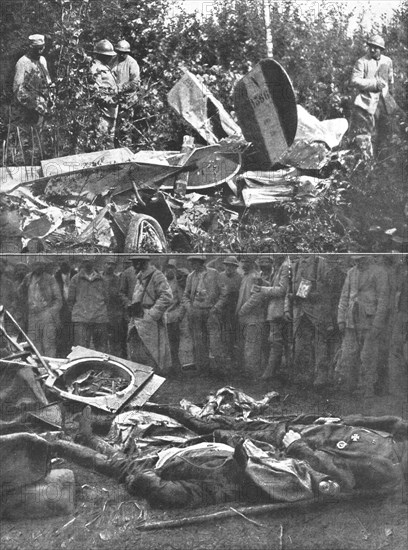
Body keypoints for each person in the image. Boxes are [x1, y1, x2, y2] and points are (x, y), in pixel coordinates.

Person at [336, 255, 389, 399]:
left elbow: (383, 299)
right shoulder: (351, 272)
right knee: (349, 354)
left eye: (361, 259)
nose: (358, 262)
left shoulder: (379, 272)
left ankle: (368, 388)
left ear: (368, 258)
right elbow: (344, 296)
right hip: (351, 319)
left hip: (369, 320)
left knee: (369, 356)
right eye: (356, 259)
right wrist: (341, 319)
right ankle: (350, 386)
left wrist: (378, 323)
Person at [289, 255, 334, 389]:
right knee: (301, 344)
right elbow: (291, 288)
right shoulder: (295, 265)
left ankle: (321, 376)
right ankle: (304, 375)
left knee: (320, 343)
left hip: (317, 311)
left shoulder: (320, 263)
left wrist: (302, 294)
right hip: (300, 311)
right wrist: (293, 297)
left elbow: (326, 289)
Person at [350, 34, 396, 155]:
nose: (372, 49)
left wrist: (390, 95)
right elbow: (355, 80)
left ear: (381, 49)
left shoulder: (387, 61)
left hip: (384, 103)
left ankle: (382, 162)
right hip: (367, 103)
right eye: (371, 46)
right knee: (367, 135)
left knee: (386, 133)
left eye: (376, 47)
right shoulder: (362, 62)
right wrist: (374, 84)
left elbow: (391, 79)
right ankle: (367, 162)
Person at [127, 256, 173, 374]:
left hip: (150, 321)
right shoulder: (140, 276)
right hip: (137, 318)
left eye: (135, 262)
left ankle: (152, 380)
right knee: (136, 351)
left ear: (142, 262)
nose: (133, 265)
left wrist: (152, 314)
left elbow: (167, 297)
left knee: (152, 352)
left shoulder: (157, 275)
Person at [183, 256, 227, 377]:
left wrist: (216, 308)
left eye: (194, 262)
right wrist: (190, 308)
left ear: (201, 262)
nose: (192, 265)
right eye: (191, 262)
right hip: (196, 312)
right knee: (199, 342)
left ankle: (220, 371)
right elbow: (185, 296)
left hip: (211, 311)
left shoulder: (213, 274)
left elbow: (224, 293)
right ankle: (203, 370)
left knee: (215, 341)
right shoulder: (191, 276)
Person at [254, 255, 291, 383]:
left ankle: (270, 373)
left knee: (276, 341)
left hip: (278, 310)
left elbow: (282, 290)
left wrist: (262, 289)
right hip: (276, 309)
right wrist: (264, 284)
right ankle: (276, 371)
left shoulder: (285, 266)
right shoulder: (279, 266)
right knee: (279, 342)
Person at [18, 260, 62, 357]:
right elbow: (20, 293)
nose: (38, 267)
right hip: (32, 314)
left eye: (40, 265)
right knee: (34, 343)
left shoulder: (50, 279)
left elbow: (58, 299)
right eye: (36, 265)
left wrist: (50, 312)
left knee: (48, 343)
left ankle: (50, 366)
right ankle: (40, 368)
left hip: (46, 315)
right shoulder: (28, 278)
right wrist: (26, 306)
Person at [236, 257, 268, 379]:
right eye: (242, 262)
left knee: (252, 347)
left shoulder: (255, 277)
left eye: (247, 262)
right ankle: (248, 372)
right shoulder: (245, 277)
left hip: (253, 317)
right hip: (245, 317)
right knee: (246, 345)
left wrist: (242, 310)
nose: (244, 264)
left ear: (252, 263)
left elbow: (256, 297)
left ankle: (253, 373)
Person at [67, 258, 109, 353]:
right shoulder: (75, 279)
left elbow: (107, 298)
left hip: (99, 318)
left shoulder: (102, 279)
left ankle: (100, 368)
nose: (88, 263)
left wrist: (100, 310)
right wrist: (78, 312)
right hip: (81, 319)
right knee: (81, 349)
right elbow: (70, 299)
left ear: (94, 262)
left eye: (90, 261)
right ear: (82, 262)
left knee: (101, 349)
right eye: (85, 261)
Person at [13, 34, 52, 127]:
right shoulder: (22, 63)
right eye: (37, 48)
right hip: (31, 109)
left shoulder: (42, 60)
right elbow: (17, 90)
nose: (40, 51)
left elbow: (47, 80)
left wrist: (51, 97)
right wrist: (34, 105)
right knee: (34, 134)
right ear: (31, 48)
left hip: (46, 104)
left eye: (42, 48)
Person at [90, 39, 119, 146]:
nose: (110, 58)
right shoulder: (95, 69)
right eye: (107, 55)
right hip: (102, 114)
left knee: (108, 143)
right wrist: (109, 100)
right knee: (100, 143)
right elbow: (95, 92)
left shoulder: (105, 67)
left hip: (110, 112)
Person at [111, 39, 140, 145]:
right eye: (119, 52)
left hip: (127, 99)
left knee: (124, 128)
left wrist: (121, 88)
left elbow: (135, 83)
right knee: (112, 128)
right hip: (113, 98)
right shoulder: (113, 60)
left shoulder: (132, 63)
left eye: (124, 53)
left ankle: (125, 148)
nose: (121, 55)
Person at [164, 260, 186, 375]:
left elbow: (183, 300)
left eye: (172, 268)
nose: (169, 270)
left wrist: (179, 315)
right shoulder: (161, 281)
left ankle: (176, 367)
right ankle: (166, 368)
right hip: (162, 317)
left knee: (174, 344)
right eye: (167, 268)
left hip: (173, 317)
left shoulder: (177, 283)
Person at [102, 259, 124, 357]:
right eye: (108, 263)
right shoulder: (98, 278)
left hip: (114, 314)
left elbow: (120, 295)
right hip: (100, 314)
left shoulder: (118, 280)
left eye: (112, 264)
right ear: (104, 265)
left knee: (115, 342)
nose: (110, 266)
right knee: (101, 342)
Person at [54, 261, 76, 358]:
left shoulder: (76, 276)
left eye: (66, 263)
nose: (64, 265)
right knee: (61, 332)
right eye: (62, 263)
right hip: (61, 309)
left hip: (75, 308)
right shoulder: (55, 277)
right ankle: (61, 354)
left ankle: (72, 354)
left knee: (73, 333)